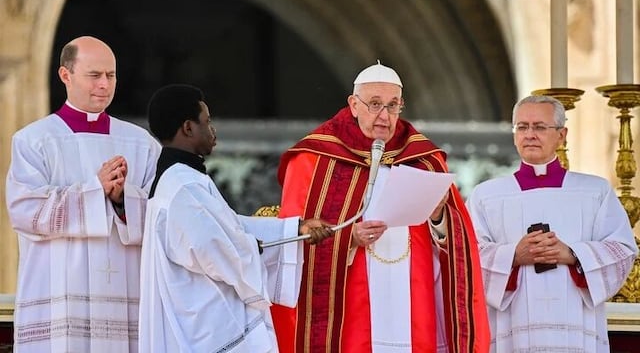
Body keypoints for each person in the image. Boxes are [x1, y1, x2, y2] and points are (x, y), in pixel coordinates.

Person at [271, 62, 490, 352]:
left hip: (414, 299)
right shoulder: (316, 158)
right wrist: (349, 239)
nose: (384, 116)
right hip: (351, 307)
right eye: (374, 104)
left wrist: (438, 216)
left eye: (392, 105)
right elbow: (292, 238)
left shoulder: (424, 158)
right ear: (353, 104)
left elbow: (459, 245)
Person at [139, 84, 334, 353]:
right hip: (204, 331)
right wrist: (253, 249)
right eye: (206, 122)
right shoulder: (182, 187)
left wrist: (296, 228)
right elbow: (217, 250)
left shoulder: (183, 179)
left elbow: (230, 226)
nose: (213, 131)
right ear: (188, 128)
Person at [5, 36, 161, 352]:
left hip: (124, 295)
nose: (104, 84)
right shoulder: (34, 141)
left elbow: (163, 214)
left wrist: (122, 200)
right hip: (60, 297)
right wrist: (95, 189)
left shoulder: (141, 143)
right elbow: (24, 211)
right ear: (66, 75)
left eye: (111, 75)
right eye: (94, 75)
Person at [466, 95, 639, 352]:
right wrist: (513, 256)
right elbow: (467, 255)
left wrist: (572, 254)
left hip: (575, 321)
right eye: (522, 127)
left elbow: (622, 250)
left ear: (562, 135)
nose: (530, 134)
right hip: (512, 326)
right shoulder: (486, 195)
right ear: (514, 135)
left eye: (540, 127)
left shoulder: (594, 191)